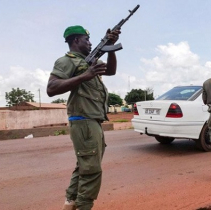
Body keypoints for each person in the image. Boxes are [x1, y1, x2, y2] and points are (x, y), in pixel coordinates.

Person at [46, 25, 121, 210]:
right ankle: (83, 206)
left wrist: (110, 46)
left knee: (84, 166)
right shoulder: (66, 61)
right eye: (86, 39)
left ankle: (70, 204)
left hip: (91, 121)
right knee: (91, 170)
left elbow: (111, 71)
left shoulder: (89, 61)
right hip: (84, 121)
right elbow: (51, 88)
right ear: (76, 40)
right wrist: (85, 76)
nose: (90, 43)